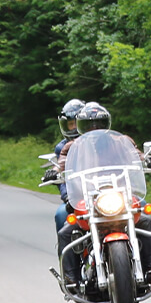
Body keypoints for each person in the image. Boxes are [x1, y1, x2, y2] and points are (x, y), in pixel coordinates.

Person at [47, 102, 151, 285]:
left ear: (106, 125)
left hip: (119, 193)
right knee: (66, 232)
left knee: (146, 221)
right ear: (81, 127)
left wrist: (148, 160)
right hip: (89, 198)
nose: (94, 129)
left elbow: (136, 154)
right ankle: (71, 278)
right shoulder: (72, 147)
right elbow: (62, 163)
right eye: (89, 126)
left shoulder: (120, 141)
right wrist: (54, 171)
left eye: (99, 124)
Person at [51, 99, 86, 231]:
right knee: (61, 215)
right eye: (70, 124)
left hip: (109, 192)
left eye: (77, 123)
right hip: (79, 198)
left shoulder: (102, 141)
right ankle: (67, 252)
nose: (74, 128)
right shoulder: (62, 148)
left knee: (142, 207)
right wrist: (67, 197)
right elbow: (60, 168)